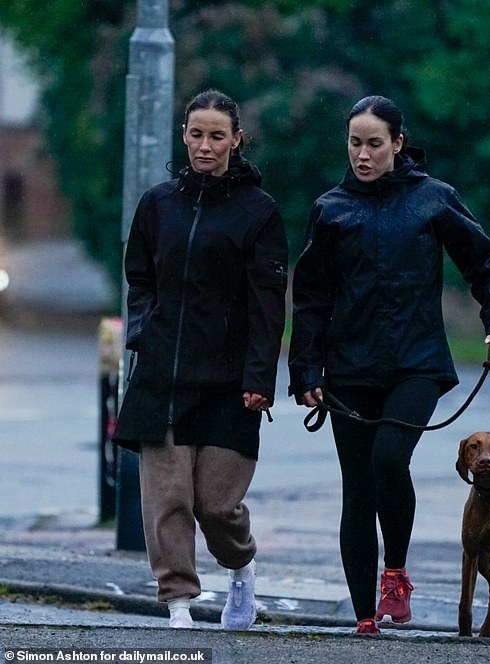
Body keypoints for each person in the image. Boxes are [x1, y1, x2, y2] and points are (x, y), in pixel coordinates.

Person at [288, 95, 490, 635]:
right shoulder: (331, 208)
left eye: (374, 144)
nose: (362, 155)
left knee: (389, 458)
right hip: (347, 369)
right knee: (357, 487)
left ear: (398, 142)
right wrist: (306, 373)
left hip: (416, 363)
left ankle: (395, 572)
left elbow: (485, 261)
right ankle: (365, 617)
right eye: (354, 144)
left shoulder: (432, 200)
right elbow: (312, 298)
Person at [113, 89, 288, 631]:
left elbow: (267, 306)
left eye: (217, 136)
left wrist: (259, 377)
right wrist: (145, 327)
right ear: (184, 136)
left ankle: (241, 570)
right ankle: (179, 606)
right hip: (163, 375)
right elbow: (138, 276)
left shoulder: (259, 213)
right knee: (167, 498)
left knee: (215, 505)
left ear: (237, 140)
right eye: (196, 134)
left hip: (231, 382)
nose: (205, 146)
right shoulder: (157, 204)